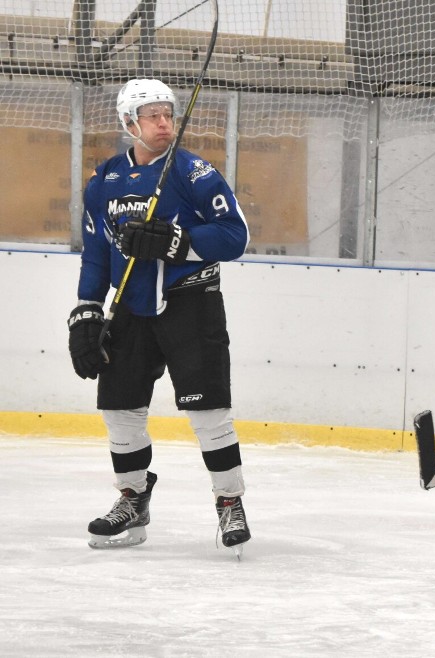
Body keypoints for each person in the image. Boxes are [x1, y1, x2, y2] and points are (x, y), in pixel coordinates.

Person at [67, 79, 251, 555]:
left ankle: (229, 501)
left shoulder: (193, 172)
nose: (164, 122)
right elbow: (95, 252)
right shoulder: (104, 181)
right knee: (119, 411)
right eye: (152, 115)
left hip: (191, 303)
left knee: (209, 412)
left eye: (168, 114)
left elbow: (235, 236)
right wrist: (86, 308)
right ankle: (132, 499)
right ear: (129, 123)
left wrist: (180, 244)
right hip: (130, 309)